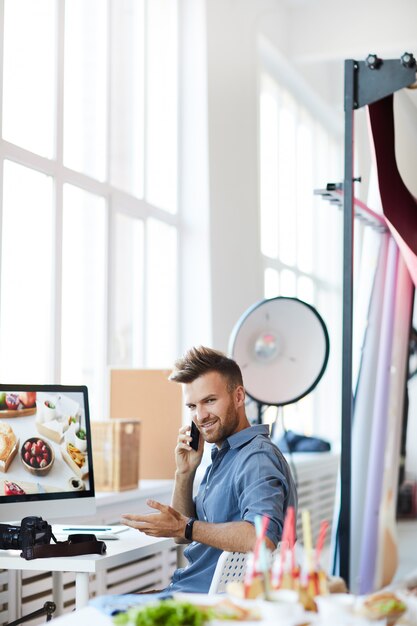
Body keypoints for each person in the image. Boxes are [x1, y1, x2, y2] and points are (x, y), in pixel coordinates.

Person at [121, 346, 297, 593]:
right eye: (192, 406)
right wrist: (184, 473)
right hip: (187, 590)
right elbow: (181, 537)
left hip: (206, 599)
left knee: (96, 612)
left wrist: (185, 526)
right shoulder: (225, 454)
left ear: (238, 397)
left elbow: (260, 538)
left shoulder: (256, 458)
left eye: (209, 401)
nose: (200, 416)